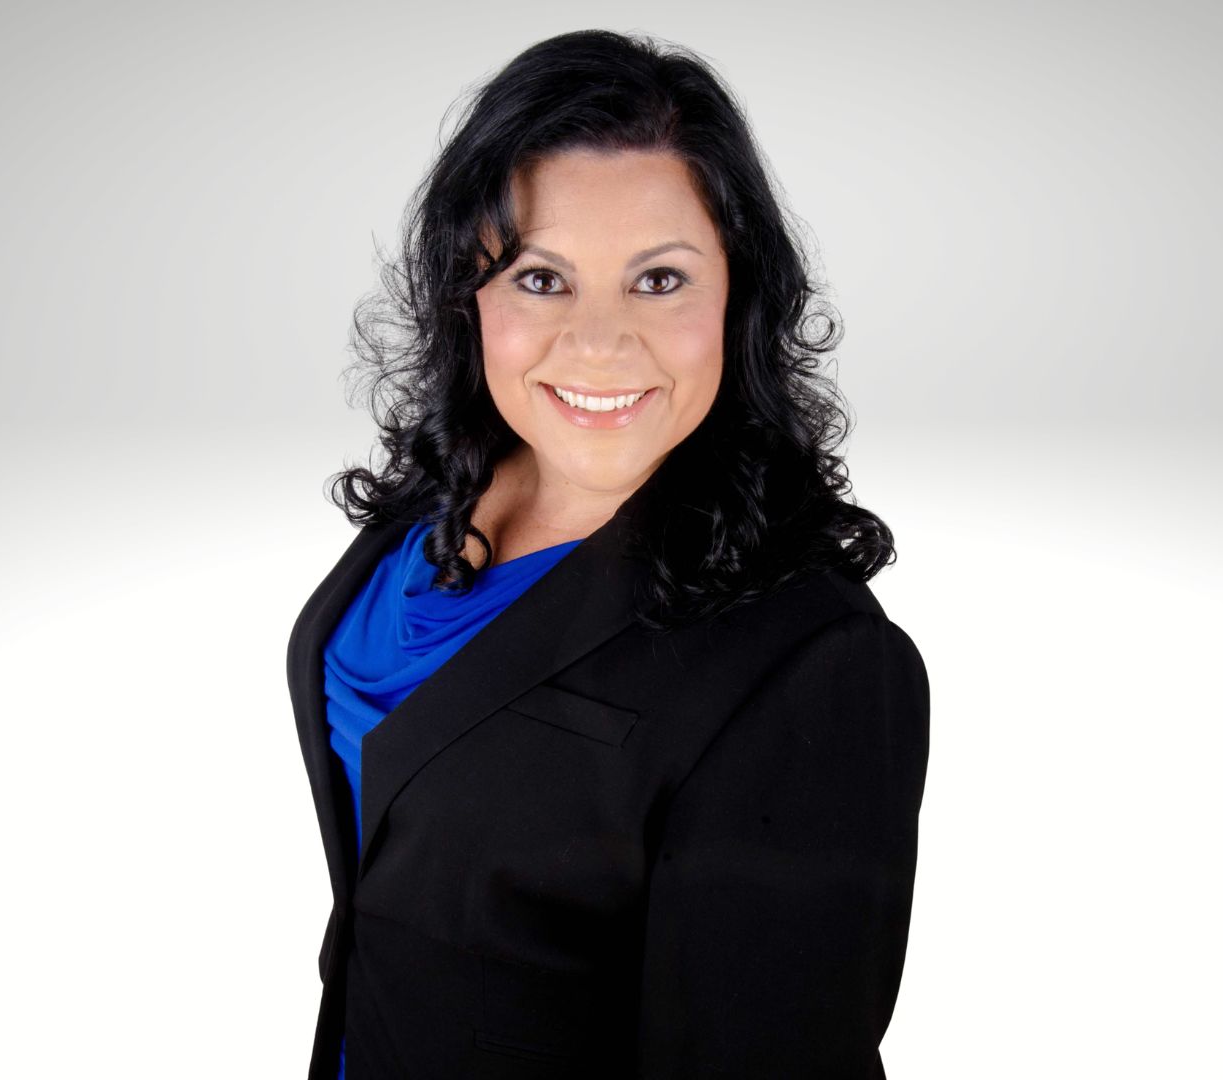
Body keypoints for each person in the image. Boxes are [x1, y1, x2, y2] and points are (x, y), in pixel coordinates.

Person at [285, 29, 930, 1079]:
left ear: (738, 294)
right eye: (541, 279)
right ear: (468, 296)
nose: (596, 342)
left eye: (659, 280)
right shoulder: (435, 499)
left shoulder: (813, 669)